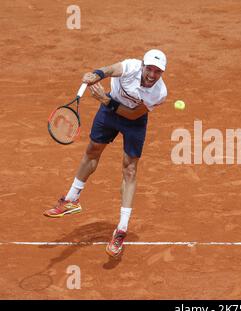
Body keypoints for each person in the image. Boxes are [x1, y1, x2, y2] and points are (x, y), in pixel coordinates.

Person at [43, 49, 168, 258]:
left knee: (129, 169)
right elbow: (111, 70)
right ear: (142, 65)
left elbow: (133, 114)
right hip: (109, 112)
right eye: (149, 69)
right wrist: (97, 74)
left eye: (157, 71)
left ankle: (121, 229)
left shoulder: (159, 93)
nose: (152, 75)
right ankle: (72, 199)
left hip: (133, 122)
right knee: (92, 150)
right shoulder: (130, 66)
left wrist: (105, 100)